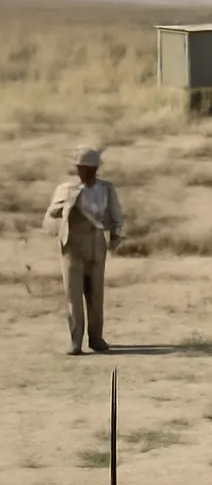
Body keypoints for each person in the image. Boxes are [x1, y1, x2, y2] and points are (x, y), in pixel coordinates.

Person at [42, 146, 125, 355]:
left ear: (96, 169)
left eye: (89, 168)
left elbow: (116, 214)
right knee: (73, 294)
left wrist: (116, 234)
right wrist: (63, 206)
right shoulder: (66, 189)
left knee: (96, 294)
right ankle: (75, 341)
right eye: (81, 168)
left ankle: (96, 338)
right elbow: (51, 214)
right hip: (72, 245)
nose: (84, 172)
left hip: (96, 244)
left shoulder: (106, 189)